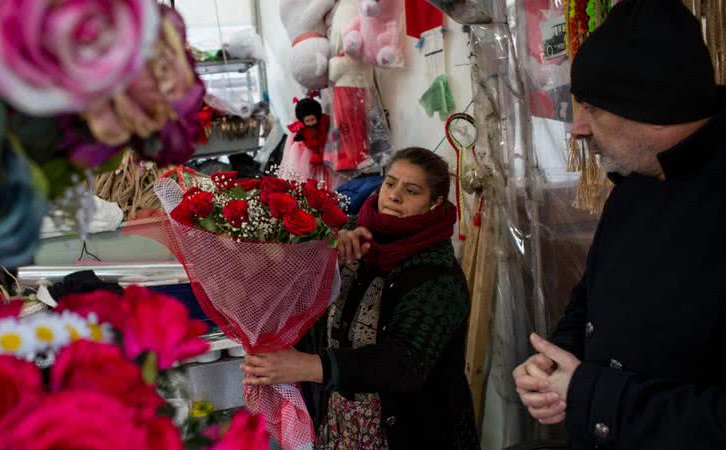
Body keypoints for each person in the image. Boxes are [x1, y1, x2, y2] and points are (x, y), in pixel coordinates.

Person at [513, 1, 726, 449]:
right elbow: (589, 297)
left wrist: (592, 395)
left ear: (652, 105)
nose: (579, 129)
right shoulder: (636, 179)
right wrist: (555, 362)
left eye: (592, 107)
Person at [241, 147, 480, 449]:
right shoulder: (354, 242)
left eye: (412, 191)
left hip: (413, 432)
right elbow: (304, 312)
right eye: (390, 183)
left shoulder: (438, 277)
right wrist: (324, 264)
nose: (394, 196)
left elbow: (405, 362)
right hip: (340, 427)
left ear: (434, 204)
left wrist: (309, 367)